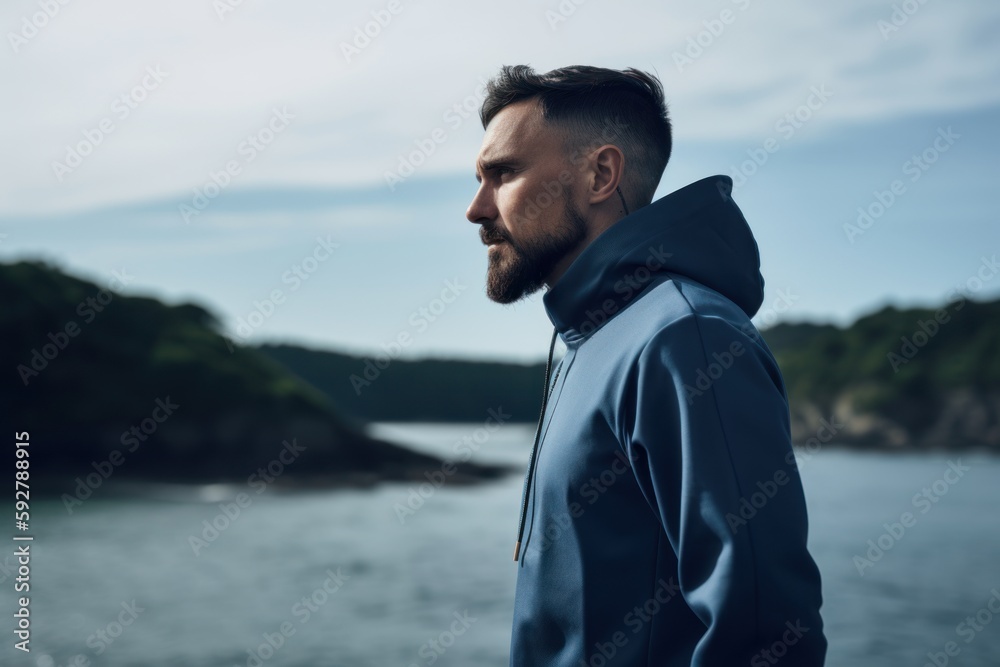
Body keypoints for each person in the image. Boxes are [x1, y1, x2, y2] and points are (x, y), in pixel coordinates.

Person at [465, 64, 827, 667]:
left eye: (502, 173)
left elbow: (765, 628)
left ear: (601, 174)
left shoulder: (688, 338)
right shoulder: (590, 339)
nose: (477, 209)